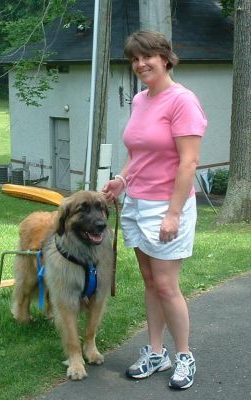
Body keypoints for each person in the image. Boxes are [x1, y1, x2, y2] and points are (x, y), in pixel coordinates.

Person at [102, 30, 207, 390]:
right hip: (136, 201)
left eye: (147, 56)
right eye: (134, 59)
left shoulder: (183, 101)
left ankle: (184, 356)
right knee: (150, 282)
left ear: (165, 57)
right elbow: (140, 153)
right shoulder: (140, 100)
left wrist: (174, 213)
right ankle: (157, 352)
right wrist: (122, 179)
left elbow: (189, 163)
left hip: (167, 205)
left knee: (166, 285)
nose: (140, 64)